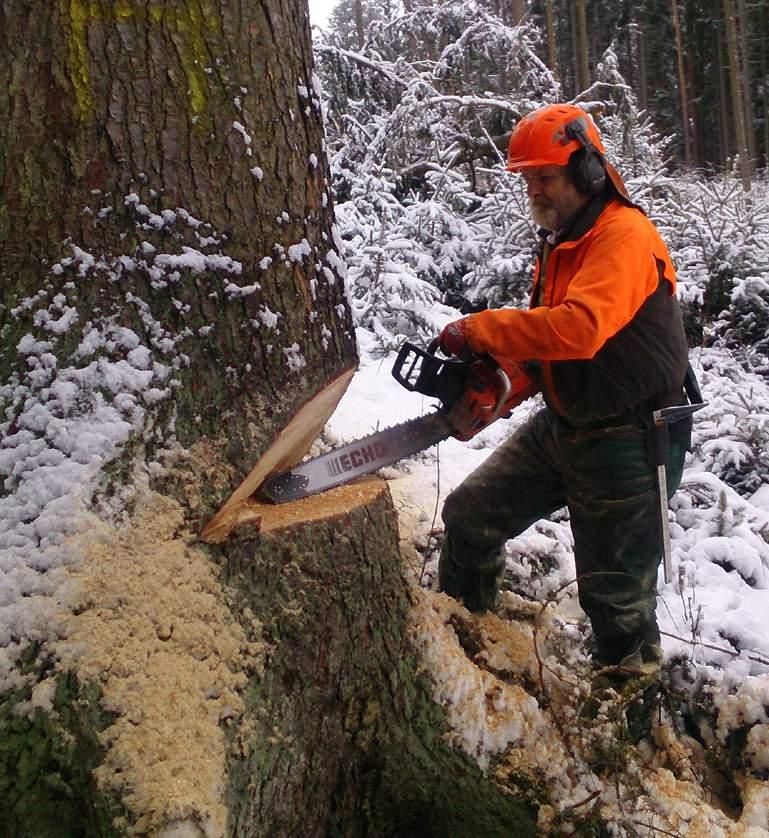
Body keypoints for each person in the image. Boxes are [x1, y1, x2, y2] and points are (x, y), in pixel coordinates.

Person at [437, 103, 692, 678]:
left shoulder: (623, 237)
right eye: (528, 179)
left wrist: (481, 327)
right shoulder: (563, 241)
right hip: (567, 423)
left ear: (588, 170)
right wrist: (507, 380)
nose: (535, 191)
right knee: (469, 516)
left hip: (630, 437)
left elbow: (579, 329)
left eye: (545, 177)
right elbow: (549, 338)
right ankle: (468, 648)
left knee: (616, 604)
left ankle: (624, 732)